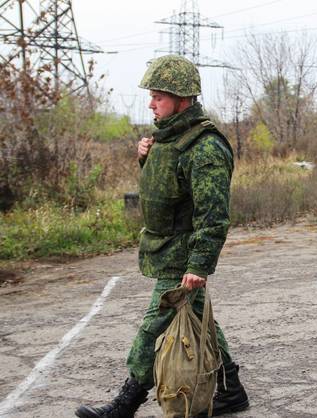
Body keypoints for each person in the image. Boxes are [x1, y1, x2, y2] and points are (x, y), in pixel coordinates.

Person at [75, 55, 249, 418]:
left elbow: (213, 216)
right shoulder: (168, 138)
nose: (151, 102)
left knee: (151, 329)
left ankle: (126, 403)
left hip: (182, 257)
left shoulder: (205, 148)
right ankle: (232, 390)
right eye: (151, 95)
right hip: (166, 250)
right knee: (199, 318)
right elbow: (168, 188)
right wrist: (145, 159)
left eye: (158, 95)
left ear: (182, 99)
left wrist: (199, 265)